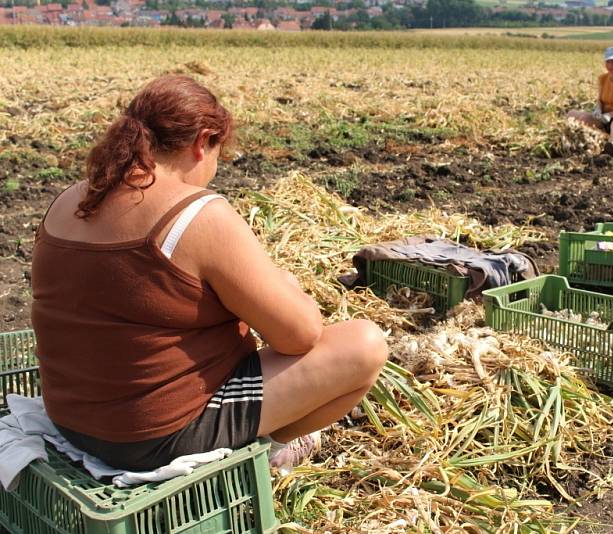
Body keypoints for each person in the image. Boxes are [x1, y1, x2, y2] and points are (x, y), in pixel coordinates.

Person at [31, 75, 388, 472]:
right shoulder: (194, 215)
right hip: (149, 436)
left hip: (69, 419)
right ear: (203, 143)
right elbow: (301, 335)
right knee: (365, 345)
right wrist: (293, 293)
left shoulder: (69, 201)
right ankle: (275, 449)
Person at [567, 46, 613, 155]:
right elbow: (600, 99)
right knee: (572, 113)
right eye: (608, 62)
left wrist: (610, 115)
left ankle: (611, 146)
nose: (610, 65)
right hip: (603, 119)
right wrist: (598, 109)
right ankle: (570, 138)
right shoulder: (602, 78)